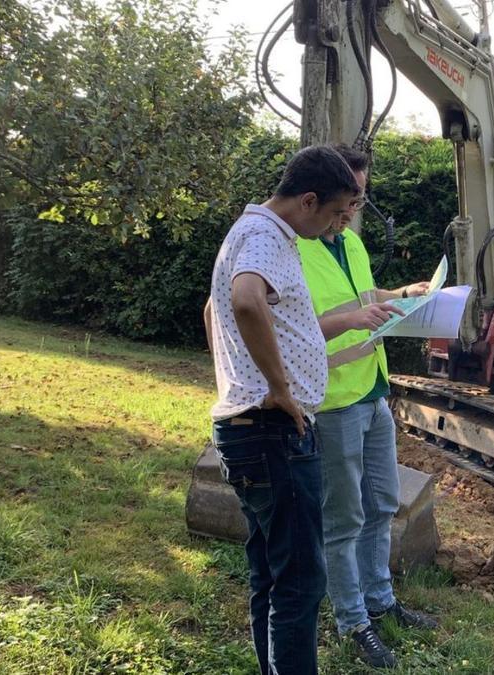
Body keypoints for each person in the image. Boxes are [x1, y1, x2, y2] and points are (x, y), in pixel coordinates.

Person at [203, 145, 360, 674]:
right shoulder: (266, 236)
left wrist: (233, 376)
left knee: (271, 573)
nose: (339, 225)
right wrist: (276, 387)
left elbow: (213, 310)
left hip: (252, 427)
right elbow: (245, 301)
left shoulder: (250, 232)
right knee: (299, 581)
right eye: (337, 212)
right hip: (273, 431)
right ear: (309, 200)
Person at [297, 145, 437, 669]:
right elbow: (298, 322)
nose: (355, 206)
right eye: (348, 196)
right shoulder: (297, 246)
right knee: (344, 515)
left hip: (373, 390)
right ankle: (353, 619)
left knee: (381, 502)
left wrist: (402, 292)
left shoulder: (350, 242)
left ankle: (381, 601)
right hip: (333, 400)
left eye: (361, 196)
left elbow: (363, 294)